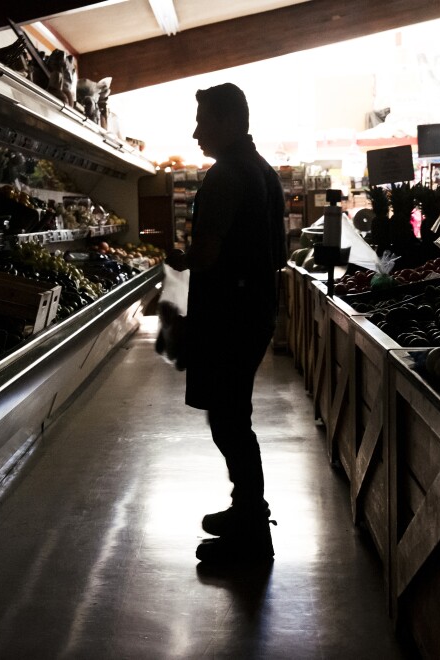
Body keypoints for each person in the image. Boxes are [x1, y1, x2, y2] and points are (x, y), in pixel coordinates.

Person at [166, 83, 286, 564]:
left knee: (230, 420)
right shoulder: (262, 170)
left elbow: (210, 252)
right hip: (254, 309)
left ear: (230, 122)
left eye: (205, 121)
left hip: (230, 315)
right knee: (234, 415)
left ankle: (252, 530)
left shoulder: (225, 176)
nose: (197, 132)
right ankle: (246, 510)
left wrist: (179, 259)